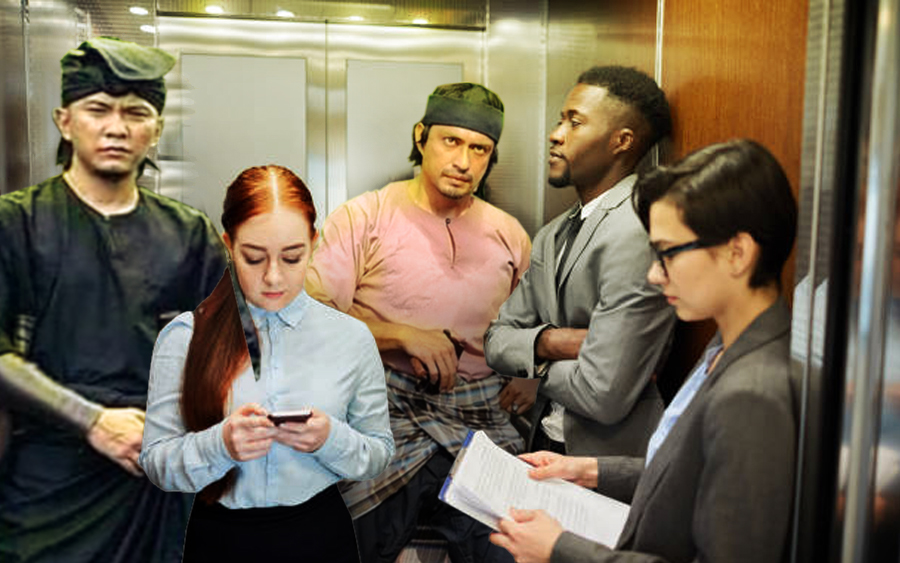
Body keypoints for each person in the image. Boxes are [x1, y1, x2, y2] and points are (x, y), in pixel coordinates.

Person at [490, 139, 799, 563]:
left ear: (737, 253)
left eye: (667, 254)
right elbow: (691, 472)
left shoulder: (755, 393)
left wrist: (560, 549)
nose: (655, 274)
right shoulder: (727, 346)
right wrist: (589, 471)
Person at [0, 37, 227, 562]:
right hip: (49, 472)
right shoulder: (18, 223)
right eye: (98, 110)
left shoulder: (187, 233)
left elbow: (231, 350)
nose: (117, 127)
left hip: (153, 472)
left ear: (157, 130)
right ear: (64, 121)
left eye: (136, 113)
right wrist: (93, 421)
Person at [305, 82, 531, 563]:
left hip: (478, 420)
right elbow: (309, 315)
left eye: (480, 149)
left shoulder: (509, 234)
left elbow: (530, 328)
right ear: (421, 136)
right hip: (382, 413)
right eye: (451, 141)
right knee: (342, 543)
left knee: (511, 550)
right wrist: (401, 334)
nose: (464, 161)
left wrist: (531, 378)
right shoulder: (365, 216)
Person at [140, 165, 394, 562]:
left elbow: (378, 452)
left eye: (293, 258)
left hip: (321, 537)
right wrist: (220, 444)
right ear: (229, 243)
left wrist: (331, 439)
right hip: (220, 542)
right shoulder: (185, 337)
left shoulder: (351, 338)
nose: (273, 277)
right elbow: (157, 463)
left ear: (314, 242)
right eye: (254, 258)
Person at [484, 66, 676, 456]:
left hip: (606, 459)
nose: (556, 134)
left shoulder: (636, 230)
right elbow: (495, 341)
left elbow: (602, 391)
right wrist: (555, 341)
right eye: (559, 120)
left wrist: (532, 364)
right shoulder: (554, 233)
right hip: (546, 442)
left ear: (621, 141)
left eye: (575, 122)